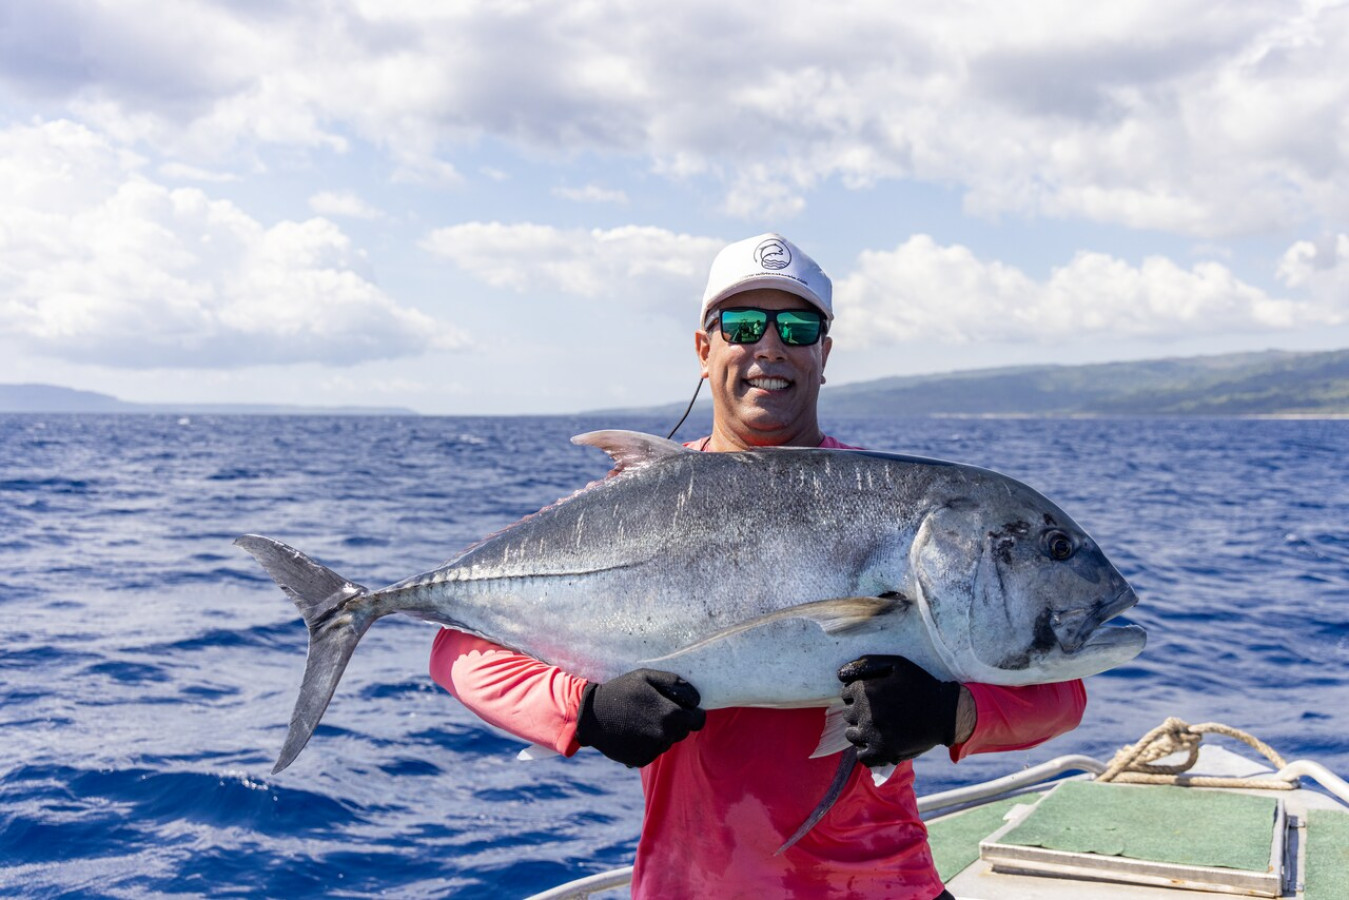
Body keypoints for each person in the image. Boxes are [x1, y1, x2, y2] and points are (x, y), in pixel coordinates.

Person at [429, 233, 1086, 899]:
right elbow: (455, 649)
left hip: (882, 884)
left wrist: (951, 714)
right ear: (703, 349)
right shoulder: (632, 504)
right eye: (742, 325)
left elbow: (1062, 693)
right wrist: (586, 712)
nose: (769, 347)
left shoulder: (890, 502)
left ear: (823, 354)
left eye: (797, 328)